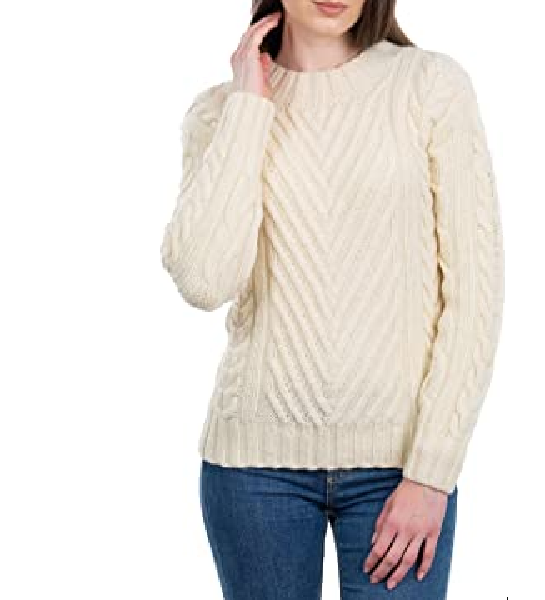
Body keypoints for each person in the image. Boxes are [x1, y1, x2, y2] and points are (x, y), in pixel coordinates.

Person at [159, 0, 505, 598]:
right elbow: (204, 280)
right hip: (252, 470)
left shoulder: (429, 86)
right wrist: (249, 106)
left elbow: (475, 295)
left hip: (399, 470)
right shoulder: (220, 111)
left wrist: (432, 473)